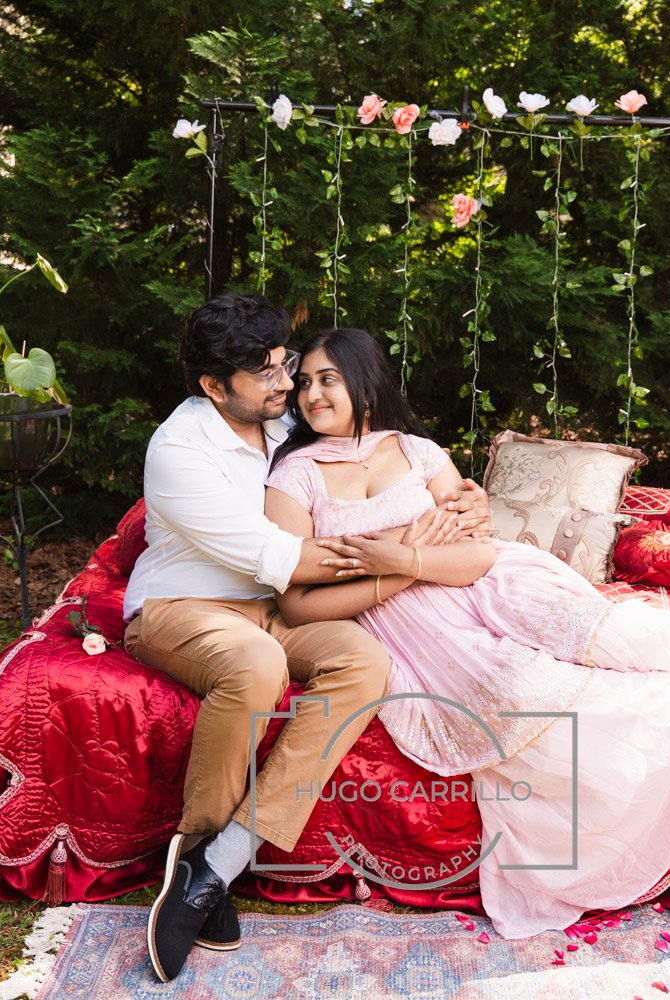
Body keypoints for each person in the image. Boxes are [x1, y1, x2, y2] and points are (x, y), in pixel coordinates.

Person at [262, 326, 670, 939]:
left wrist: (399, 556)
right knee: (529, 697)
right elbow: (295, 603)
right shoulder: (294, 477)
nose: (311, 394)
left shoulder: (417, 453)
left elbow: (474, 555)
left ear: (364, 381)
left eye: (328, 378)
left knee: (611, 634)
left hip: (489, 580)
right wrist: (396, 566)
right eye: (305, 382)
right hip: (412, 621)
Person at [123, 293, 491, 981]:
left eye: (281, 363)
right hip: (181, 607)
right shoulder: (180, 452)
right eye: (264, 373)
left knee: (363, 661)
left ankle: (220, 859)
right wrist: (402, 546)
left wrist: (467, 500)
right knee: (256, 664)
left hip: (272, 609)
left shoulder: (280, 415)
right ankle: (196, 851)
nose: (285, 383)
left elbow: (378, 444)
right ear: (213, 386)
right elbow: (291, 559)